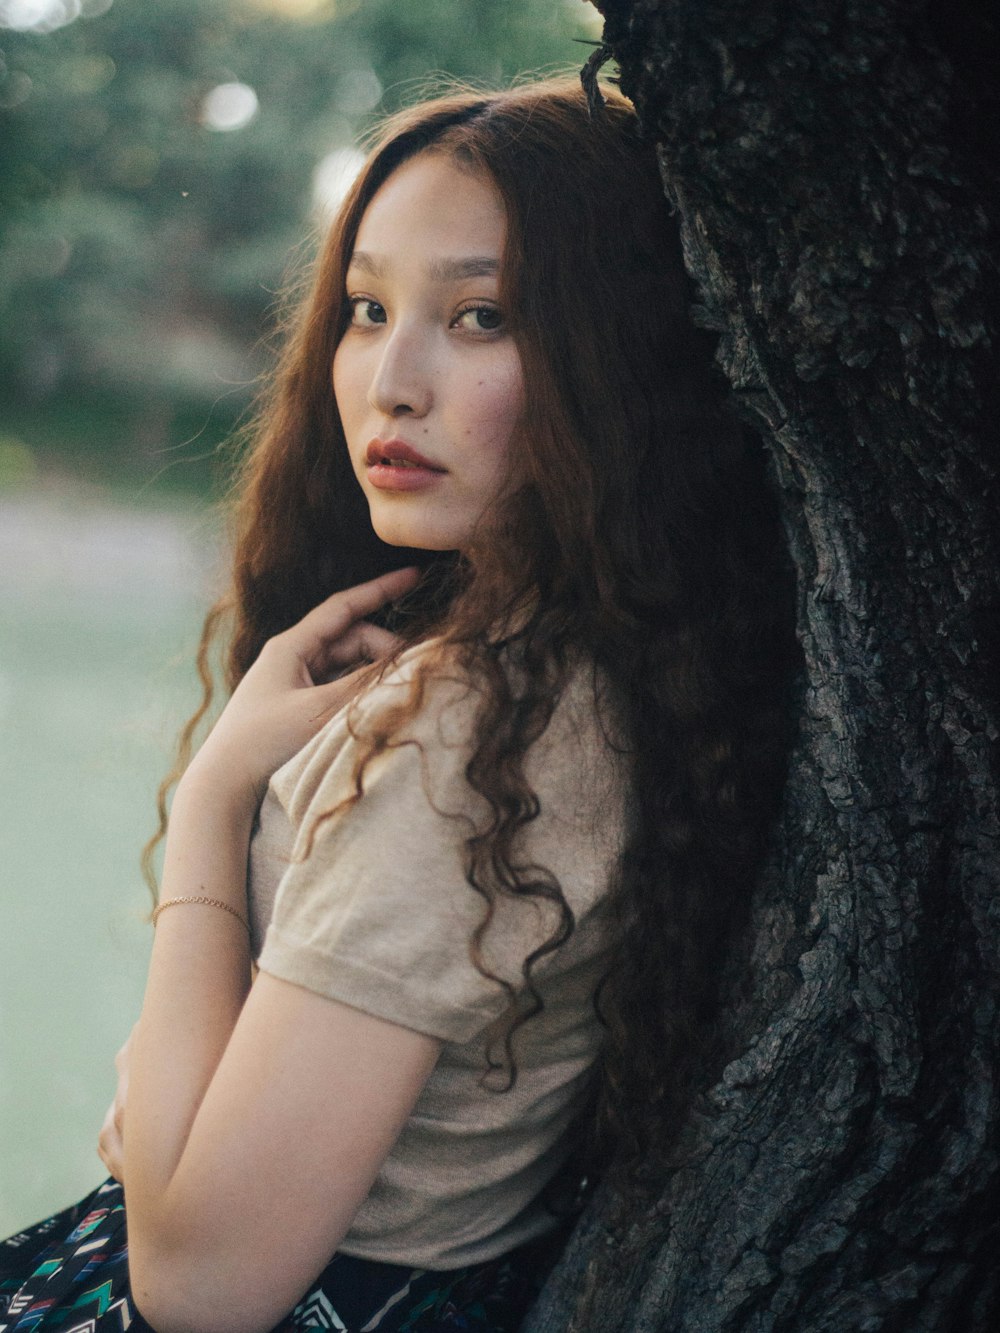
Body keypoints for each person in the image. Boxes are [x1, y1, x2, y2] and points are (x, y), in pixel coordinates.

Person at [0, 75, 792, 1333]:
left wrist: (213, 797)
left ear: (619, 360)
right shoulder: (614, 660)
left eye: (482, 316)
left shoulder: (466, 730)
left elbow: (202, 1284)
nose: (391, 380)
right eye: (366, 310)